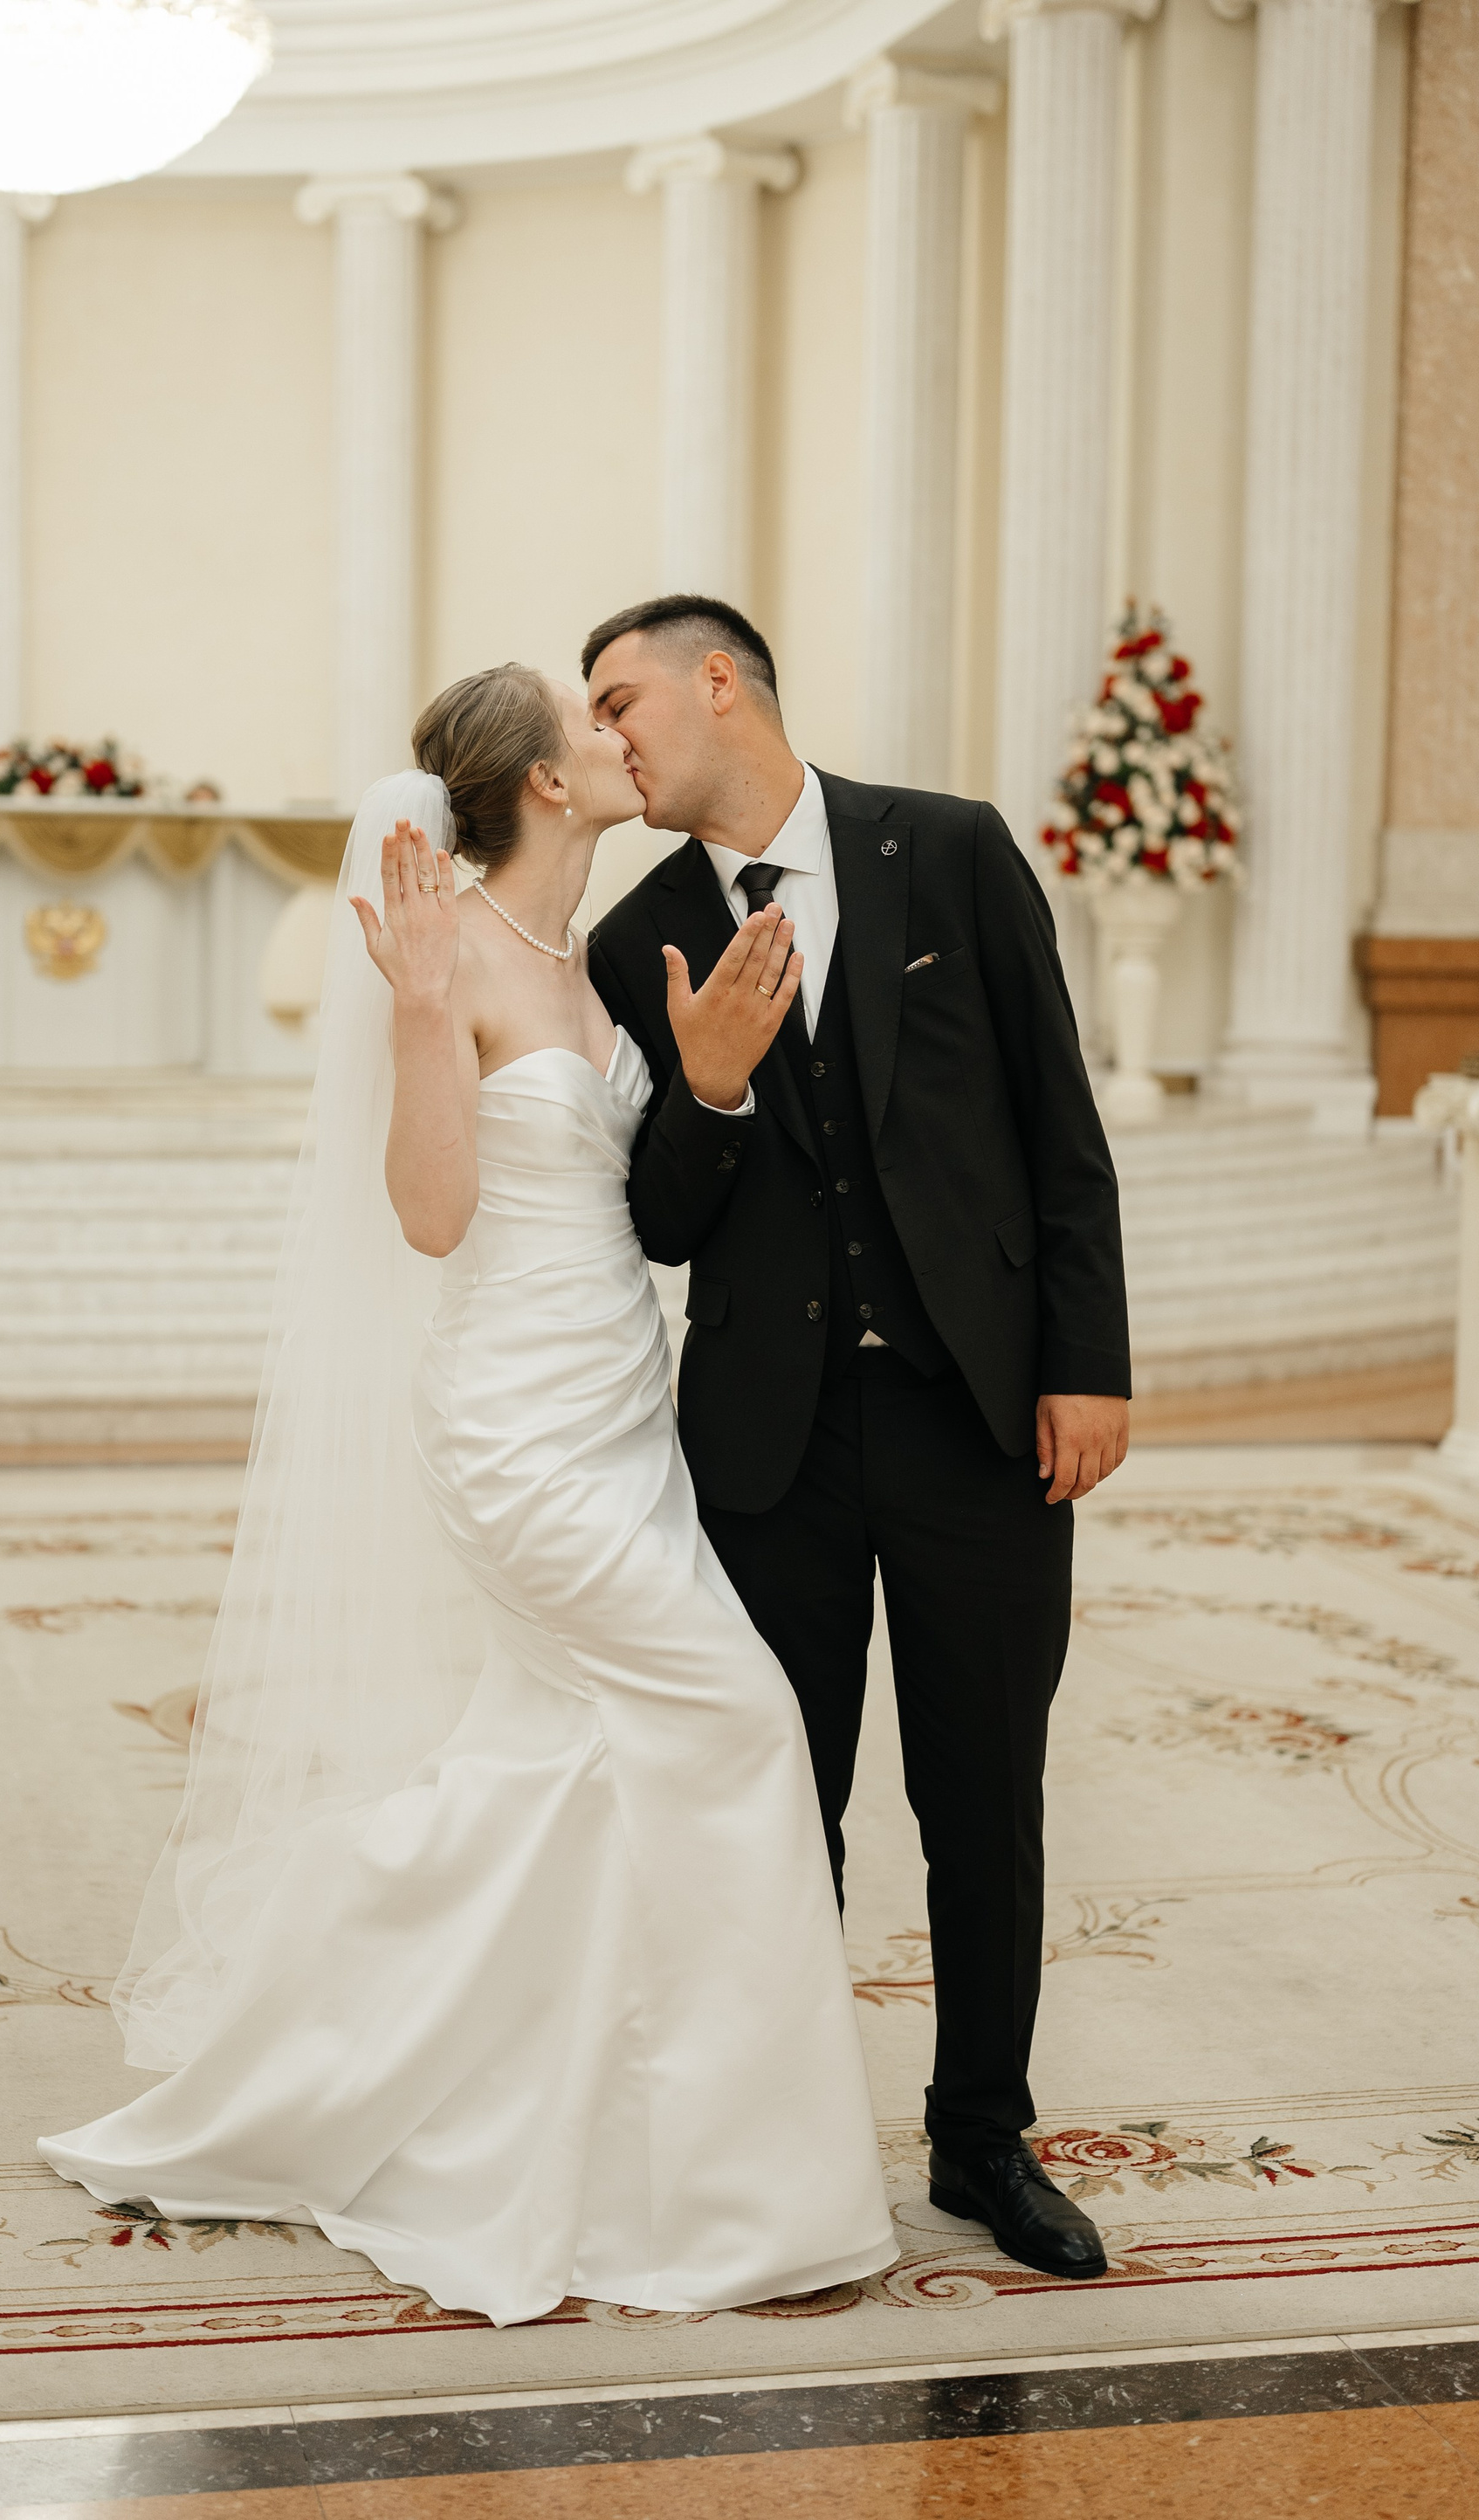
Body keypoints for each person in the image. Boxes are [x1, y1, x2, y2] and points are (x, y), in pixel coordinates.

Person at [37, 666, 896, 2327]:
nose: (620, 735)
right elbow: (433, 1218)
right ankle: (752, 2195)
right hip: (517, 1434)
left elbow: (648, 1196)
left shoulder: (592, 958)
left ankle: (517, 2111)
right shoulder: (452, 962)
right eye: (591, 721)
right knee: (741, 1723)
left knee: (570, 1771)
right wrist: (424, 1013)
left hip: (625, 1421)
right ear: (549, 785)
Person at [581, 595, 1132, 2283]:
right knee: (781, 1801)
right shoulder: (636, 938)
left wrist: (1088, 1362)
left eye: (621, 702)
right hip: (772, 1445)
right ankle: (789, 2142)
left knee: (985, 1790)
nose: (606, 739)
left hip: (978, 1414)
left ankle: (983, 2137)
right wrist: (713, 1087)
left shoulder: (947, 850)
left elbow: (1059, 1121)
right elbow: (659, 1225)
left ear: (720, 680)